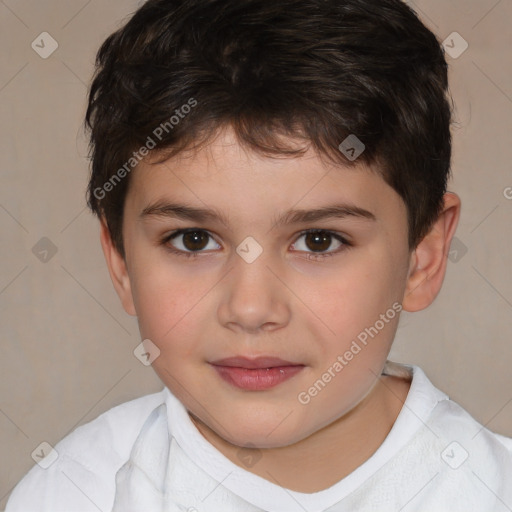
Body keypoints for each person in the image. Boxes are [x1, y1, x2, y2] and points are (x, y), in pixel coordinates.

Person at [6, 0, 512, 510]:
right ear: (120, 261)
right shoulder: (68, 494)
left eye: (319, 240)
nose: (250, 310)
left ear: (422, 257)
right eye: (193, 240)